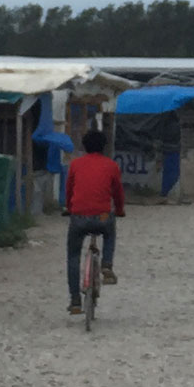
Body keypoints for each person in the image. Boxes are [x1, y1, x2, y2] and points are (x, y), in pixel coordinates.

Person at [64, 128, 125, 316]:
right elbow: (118, 193)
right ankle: (107, 264)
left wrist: (69, 208)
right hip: (102, 217)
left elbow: (69, 190)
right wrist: (120, 210)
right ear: (104, 147)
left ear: (84, 146)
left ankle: (75, 301)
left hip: (78, 216)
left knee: (73, 255)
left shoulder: (75, 164)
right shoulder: (111, 165)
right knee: (109, 232)